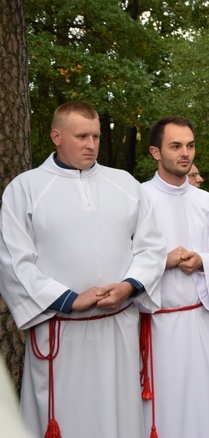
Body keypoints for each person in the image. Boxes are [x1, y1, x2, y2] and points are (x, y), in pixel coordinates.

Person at [0, 101, 166, 437]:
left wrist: (129, 286)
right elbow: (14, 262)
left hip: (116, 329)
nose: (91, 144)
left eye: (95, 136)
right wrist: (68, 299)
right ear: (56, 136)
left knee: (117, 418)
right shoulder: (25, 189)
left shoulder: (125, 184)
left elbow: (152, 247)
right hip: (61, 332)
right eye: (81, 136)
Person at [141, 116, 209, 438]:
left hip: (197, 322)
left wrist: (202, 261)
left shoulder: (206, 202)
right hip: (155, 324)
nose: (186, 153)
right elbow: (121, 261)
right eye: (176, 146)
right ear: (156, 152)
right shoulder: (138, 200)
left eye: (190, 145)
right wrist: (162, 261)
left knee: (200, 403)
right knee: (162, 408)